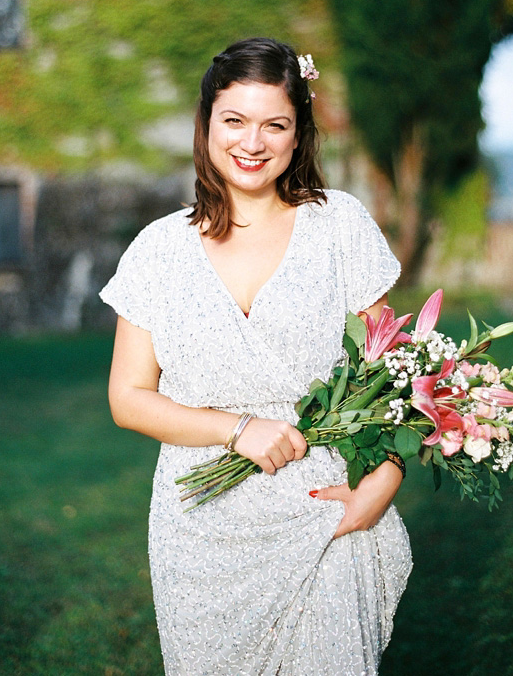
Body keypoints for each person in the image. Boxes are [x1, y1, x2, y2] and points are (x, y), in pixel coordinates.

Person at [100, 37, 412, 675]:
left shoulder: (339, 227)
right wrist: (236, 430)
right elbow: (128, 397)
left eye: (276, 124)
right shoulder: (158, 250)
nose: (253, 142)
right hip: (201, 527)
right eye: (234, 120)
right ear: (206, 125)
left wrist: (383, 481)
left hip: (322, 511)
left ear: (299, 136)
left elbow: (401, 371)